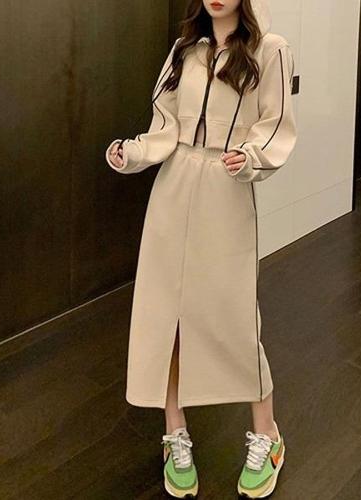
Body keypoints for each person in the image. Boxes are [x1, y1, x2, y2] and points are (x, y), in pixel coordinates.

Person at [105, 0, 297, 497]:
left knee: (234, 316)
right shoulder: (183, 50)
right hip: (172, 190)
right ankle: (176, 434)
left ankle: (268, 434)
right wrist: (132, 153)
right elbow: (165, 127)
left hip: (226, 190)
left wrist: (250, 158)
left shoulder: (271, 50)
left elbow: (275, 124)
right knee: (166, 316)